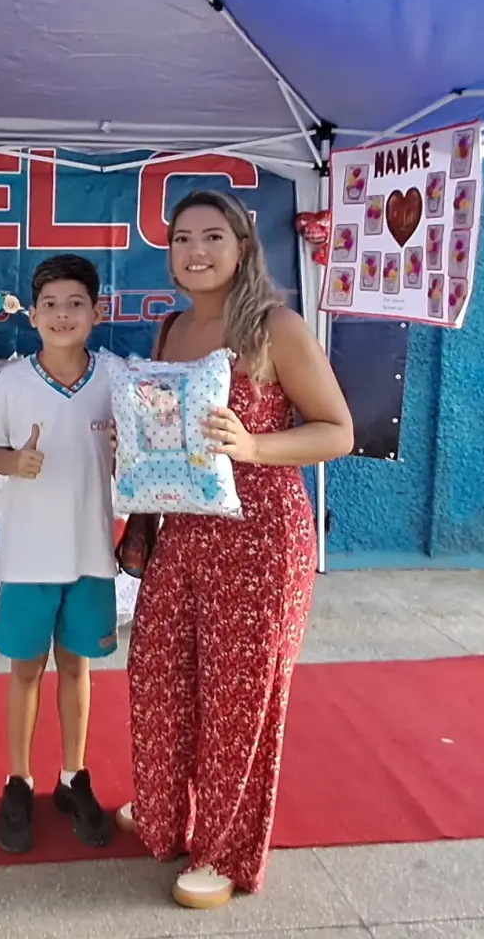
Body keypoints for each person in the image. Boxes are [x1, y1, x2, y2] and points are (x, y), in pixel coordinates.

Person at [120, 189, 353, 909]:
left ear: (243, 248)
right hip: (184, 533)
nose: (196, 251)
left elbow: (338, 430)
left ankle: (224, 850)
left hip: (261, 540)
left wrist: (254, 446)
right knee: (158, 675)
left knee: (237, 699)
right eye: (182, 238)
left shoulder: (276, 327)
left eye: (213, 236)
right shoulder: (170, 330)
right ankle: (164, 810)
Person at [0, 254, 117, 854]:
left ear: (97, 311)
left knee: (77, 668)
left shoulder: (115, 379)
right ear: (33, 315)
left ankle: (72, 776)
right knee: (24, 671)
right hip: (29, 556)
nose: (63, 315)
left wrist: (127, 447)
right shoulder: (13, 381)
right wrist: (17, 462)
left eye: (75, 304)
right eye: (51, 305)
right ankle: (18, 780)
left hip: (90, 552)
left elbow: (137, 452)